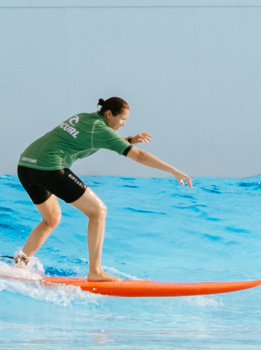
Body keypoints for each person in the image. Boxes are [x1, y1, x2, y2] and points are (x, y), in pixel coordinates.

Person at [13, 97, 191, 281]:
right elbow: (138, 155)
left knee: (51, 219)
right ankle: (95, 272)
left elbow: (97, 138)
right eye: (122, 119)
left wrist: (129, 139)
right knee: (98, 211)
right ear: (108, 114)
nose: (123, 123)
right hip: (48, 168)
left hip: (26, 166)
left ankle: (20, 262)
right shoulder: (99, 130)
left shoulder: (85, 119)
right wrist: (174, 171)